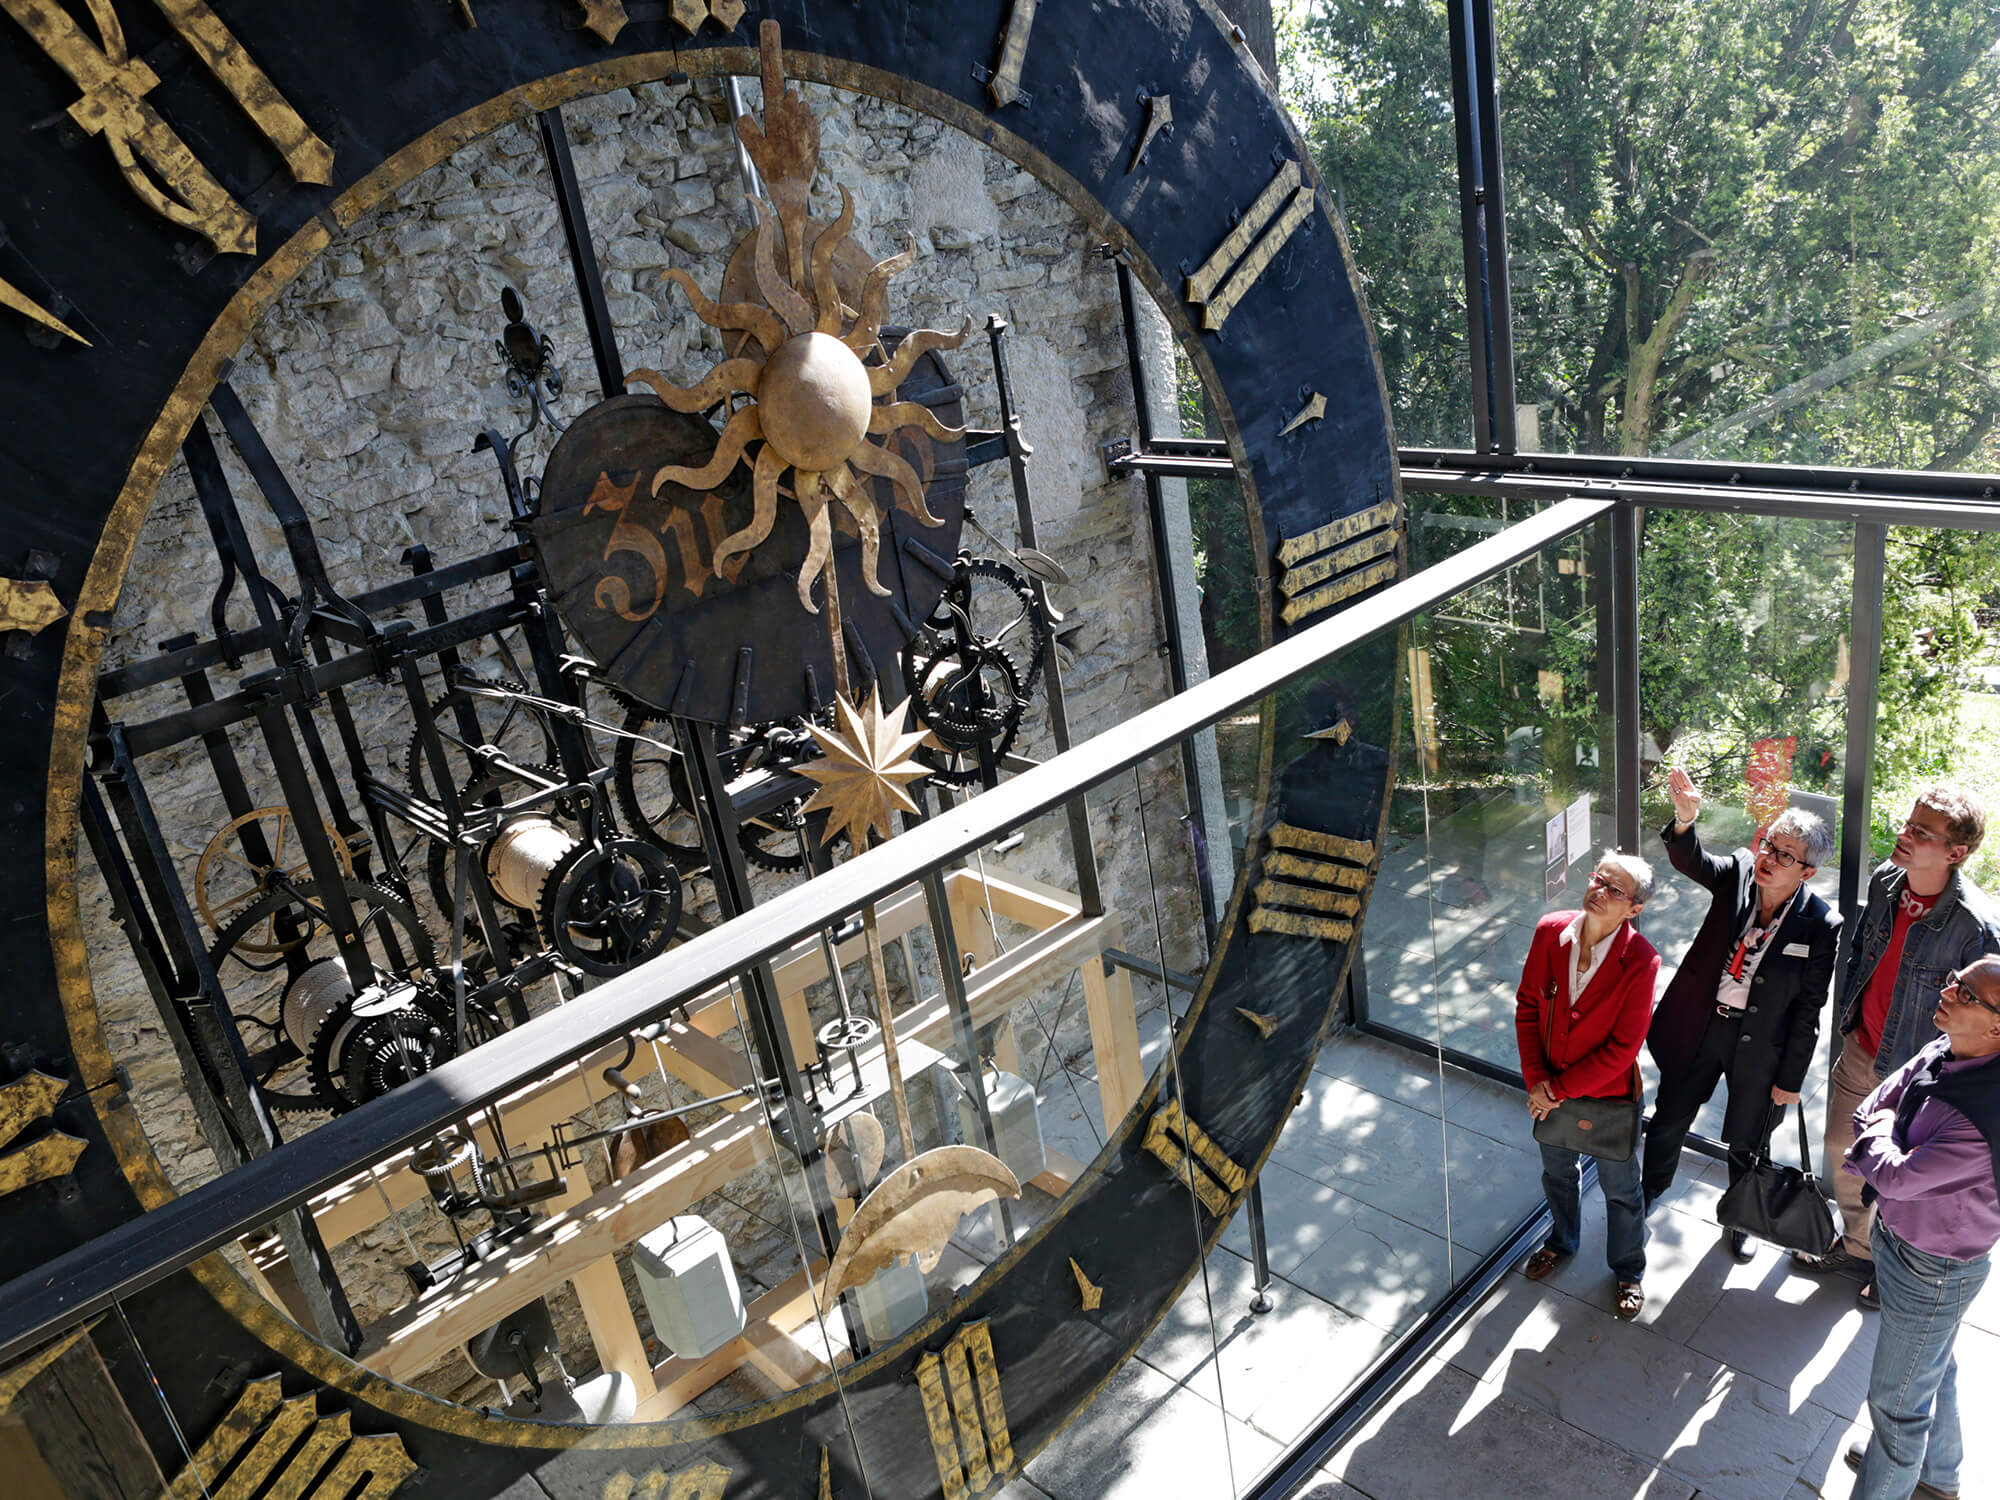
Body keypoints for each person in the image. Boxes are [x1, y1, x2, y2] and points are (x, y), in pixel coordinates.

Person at [1798, 785, 2000, 1311]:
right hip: (1860, 1049)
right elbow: (1864, 958)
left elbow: (1979, 1021)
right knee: (1844, 1154)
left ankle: (1892, 1268)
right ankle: (1859, 1248)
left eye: (1920, 832)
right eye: (1908, 823)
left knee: (1899, 1182)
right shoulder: (1885, 881)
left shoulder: (1977, 928)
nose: (1903, 835)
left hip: (1917, 1076)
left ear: (1956, 853)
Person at [1640, 769, 1840, 1260]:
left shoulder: (1820, 925)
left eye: (1785, 856)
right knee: (1669, 1120)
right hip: (1703, 1026)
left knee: (1749, 1140)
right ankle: (1644, 1198)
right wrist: (1686, 821)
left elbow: (1809, 1007)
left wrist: (1791, 1077)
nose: (1770, 858)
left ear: (1807, 872)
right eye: (1770, 845)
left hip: (1761, 1047)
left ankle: (1742, 1217)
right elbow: (1693, 861)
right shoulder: (1741, 873)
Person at [1841, 957, 2000, 1500]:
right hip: (1901, 1237)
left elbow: (1897, 1176)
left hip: (1932, 1268)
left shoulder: (1985, 1117)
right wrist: (1884, 1133)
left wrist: (1879, 1137)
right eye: (1956, 980)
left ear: (1997, 1026)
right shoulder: (1950, 1045)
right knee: (1933, 1364)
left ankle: (1897, 1470)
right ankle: (1937, 1476)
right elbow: (1881, 1097)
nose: (1948, 991)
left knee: (1896, 1408)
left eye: (1967, 994)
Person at [1516, 851, 1662, 1319]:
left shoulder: (1641, 960)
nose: (1598, 891)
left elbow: (1622, 1049)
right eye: (1599, 879)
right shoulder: (1549, 931)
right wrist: (1537, 1081)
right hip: (1549, 1090)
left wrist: (1554, 1090)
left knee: (1621, 1189)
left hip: (1608, 1097)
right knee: (1557, 1174)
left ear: (1634, 909)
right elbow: (1527, 1008)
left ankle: (1628, 1270)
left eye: (1614, 890)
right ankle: (1560, 1243)